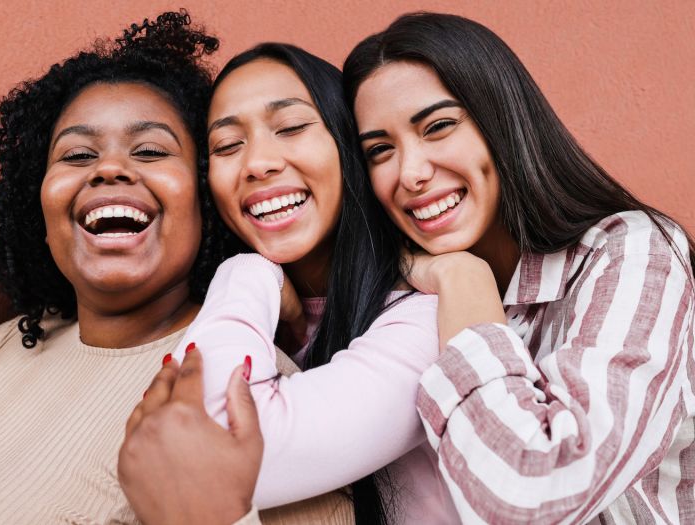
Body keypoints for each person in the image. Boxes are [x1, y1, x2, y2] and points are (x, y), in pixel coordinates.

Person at [121, 11, 695, 525]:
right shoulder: (359, 306)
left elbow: (529, 492)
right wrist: (255, 274)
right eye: (379, 150)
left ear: (503, 121)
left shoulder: (629, 251)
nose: (412, 172)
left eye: (438, 126)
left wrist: (460, 281)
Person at [0, 12, 231, 523]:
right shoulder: (15, 345)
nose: (109, 168)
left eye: (149, 149)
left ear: (207, 194)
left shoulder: (246, 380)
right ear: (38, 202)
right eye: (77, 155)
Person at [119, 44, 456, 525]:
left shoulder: (426, 318)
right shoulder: (249, 319)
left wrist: (246, 271)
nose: (257, 163)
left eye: (292, 127)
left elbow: (207, 447)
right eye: (227, 146)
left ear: (347, 144)